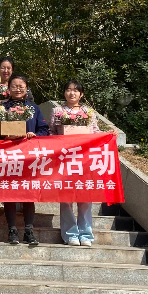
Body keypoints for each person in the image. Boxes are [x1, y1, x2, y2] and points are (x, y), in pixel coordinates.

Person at [0, 74, 50, 246]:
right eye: (14, 86)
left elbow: (44, 129)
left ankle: (29, 231)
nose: (18, 89)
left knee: (29, 192)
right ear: (8, 89)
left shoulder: (34, 108)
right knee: (10, 193)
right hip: (9, 155)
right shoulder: (1, 108)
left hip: (29, 156)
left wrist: (34, 134)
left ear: (26, 88)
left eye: (21, 86)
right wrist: (3, 135)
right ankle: (12, 230)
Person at [51, 80, 100, 247]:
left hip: (84, 160)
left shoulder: (89, 112)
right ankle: (70, 234)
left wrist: (108, 135)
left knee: (85, 196)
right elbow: (51, 132)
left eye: (75, 90)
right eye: (68, 89)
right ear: (64, 92)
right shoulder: (57, 111)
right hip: (65, 160)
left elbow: (95, 132)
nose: (72, 93)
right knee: (66, 198)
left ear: (81, 94)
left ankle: (86, 234)